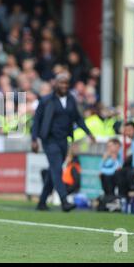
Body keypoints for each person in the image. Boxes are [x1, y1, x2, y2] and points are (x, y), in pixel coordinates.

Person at [31, 72, 95, 212]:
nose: (64, 85)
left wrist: (89, 133)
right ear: (56, 84)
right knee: (57, 169)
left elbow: (78, 119)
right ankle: (64, 201)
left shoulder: (71, 100)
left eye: (66, 83)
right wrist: (34, 139)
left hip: (63, 140)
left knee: (54, 171)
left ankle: (42, 202)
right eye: (61, 83)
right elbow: (36, 121)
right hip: (49, 139)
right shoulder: (46, 100)